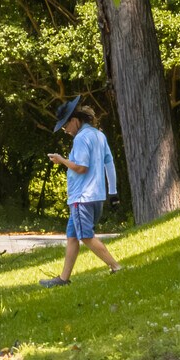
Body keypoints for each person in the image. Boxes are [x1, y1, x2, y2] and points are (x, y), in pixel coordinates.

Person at [40, 95, 123, 288]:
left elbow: (81, 167)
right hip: (96, 196)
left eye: (65, 126)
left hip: (82, 197)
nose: (66, 131)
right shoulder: (98, 135)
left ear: (75, 120)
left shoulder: (81, 139)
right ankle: (63, 279)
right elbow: (109, 164)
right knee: (72, 236)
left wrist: (61, 160)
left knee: (85, 235)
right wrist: (113, 192)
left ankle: (115, 266)